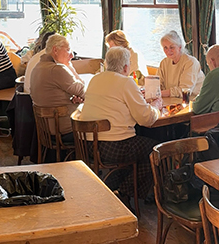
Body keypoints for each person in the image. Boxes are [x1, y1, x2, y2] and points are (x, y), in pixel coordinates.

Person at [73, 46, 161, 192]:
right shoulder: (126, 82)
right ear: (126, 67)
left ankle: (115, 187)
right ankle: (124, 191)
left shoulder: (95, 79)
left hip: (87, 145)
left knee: (136, 147)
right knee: (156, 150)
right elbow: (146, 119)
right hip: (114, 148)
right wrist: (156, 107)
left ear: (107, 64)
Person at [28, 35, 86, 108]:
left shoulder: (37, 67)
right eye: (68, 50)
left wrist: (72, 99)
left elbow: (55, 96)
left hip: (49, 117)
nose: (72, 56)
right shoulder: (56, 69)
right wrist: (69, 67)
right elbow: (84, 93)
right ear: (55, 50)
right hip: (62, 117)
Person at [156, 31, 203, 101]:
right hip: (172, 100)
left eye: (171, 47)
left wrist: (158, 94)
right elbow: (158, 83)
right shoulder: (164, 62)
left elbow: (184, 90)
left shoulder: (191, 62)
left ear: (180, 47)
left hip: (192, 102)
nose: (168, 51)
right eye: (165, 47)